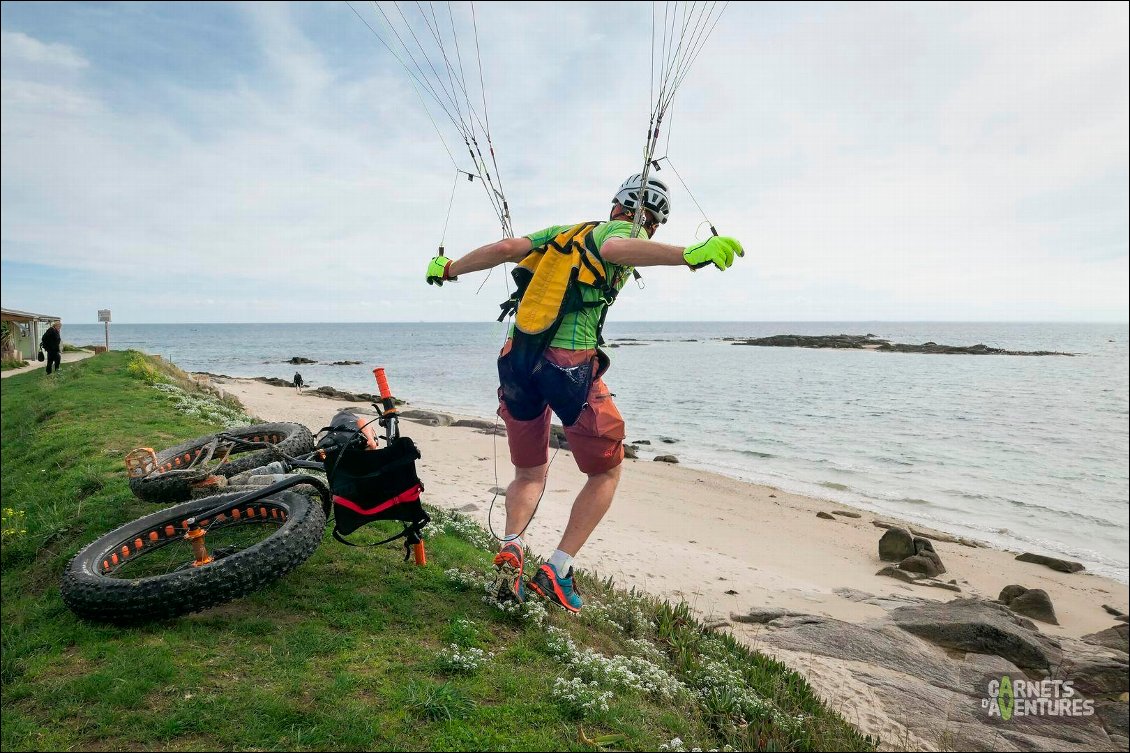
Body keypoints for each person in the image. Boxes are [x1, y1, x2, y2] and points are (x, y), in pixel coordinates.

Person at [425, 173, 744, 612]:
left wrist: (449, 268)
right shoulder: (622, 232)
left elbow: (503, 250)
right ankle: (557, 568)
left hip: (517, 359)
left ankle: (513, 546)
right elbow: (615, 249)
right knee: (607, 471)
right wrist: (688, 255)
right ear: (652, 222)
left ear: (615, 202)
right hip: (569, 365)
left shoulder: (562, 234)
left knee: (529, 472)